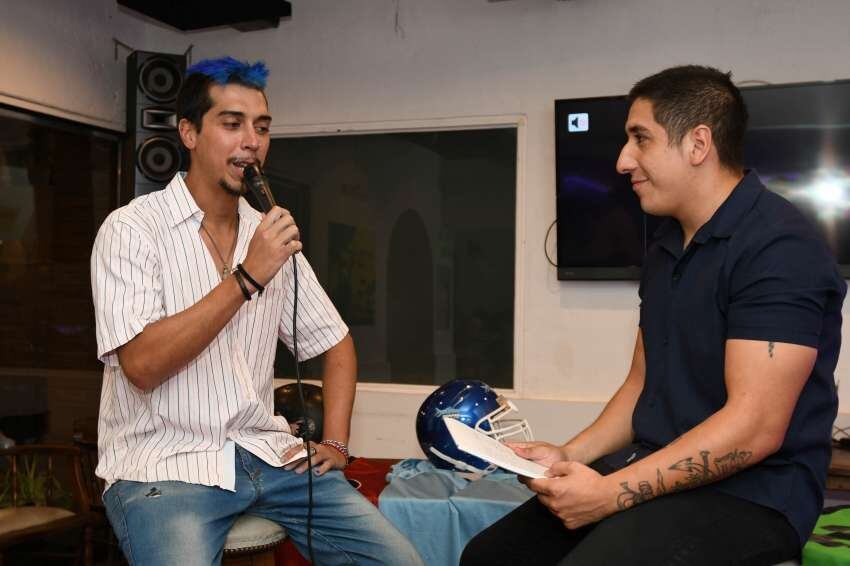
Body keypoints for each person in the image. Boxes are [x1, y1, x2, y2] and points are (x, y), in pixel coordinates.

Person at [462, 65, 846, 565]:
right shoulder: (666, 247)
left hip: (755, 496)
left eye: (640, 138)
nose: (623, 161)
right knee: (489, 557)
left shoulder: (779, 247)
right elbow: (642, 384)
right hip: (653, 471)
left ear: (698, 144)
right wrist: (569, 455)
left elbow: (755, 428)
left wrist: (610, 492)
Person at [90, 56, 422, 566]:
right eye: (231, 123)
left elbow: (335, 342)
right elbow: (141, 365)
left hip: (268, 457)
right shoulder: (131, 230)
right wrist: (247, 277)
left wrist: (335, 440)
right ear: (189, 133)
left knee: (401, 561)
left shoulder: (266, 232)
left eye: (262, 127)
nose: (252, 141)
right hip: (161, 467)